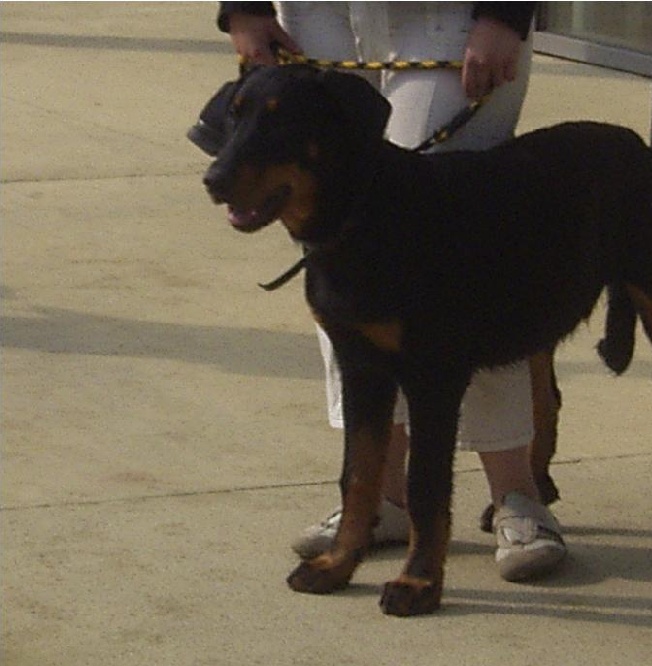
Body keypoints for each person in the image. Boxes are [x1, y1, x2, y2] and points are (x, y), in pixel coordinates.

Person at [216, 1, 566, 582]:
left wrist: (505, 14)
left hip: (451, 14)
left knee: (462, 259)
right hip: (315, 13)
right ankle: (384, 499)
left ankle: (515, 492)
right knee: (341, 255)